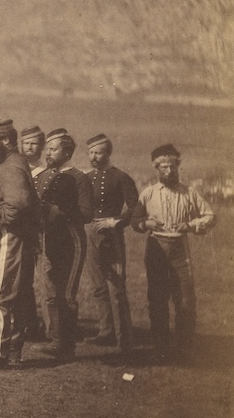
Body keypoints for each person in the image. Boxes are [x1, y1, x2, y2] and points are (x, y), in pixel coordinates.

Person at [131, 144, 215, 361]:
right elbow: (135, 221)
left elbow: (210, 216)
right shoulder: (148, 194)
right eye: (163, 167)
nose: (169, 171)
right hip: (156, 248)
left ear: (178, 166)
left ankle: (185, 347)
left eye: (172, 166)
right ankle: (160, 346)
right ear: (156, 169)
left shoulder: (189, 193)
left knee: (185, 298)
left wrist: (190, 225)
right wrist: (147, 223)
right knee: (157, 298)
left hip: (179, 248)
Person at [0, 119, 39, 370]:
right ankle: (13, 353)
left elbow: (19, 202)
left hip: (8, 238)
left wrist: (2, 221)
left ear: (7, 141)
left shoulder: (11, 167)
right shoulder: (14, 163)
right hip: (13, 238)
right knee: (17, 295)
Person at [36, 128, 88, 361]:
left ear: (67, 152)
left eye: (54, 149)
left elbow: (86, 213)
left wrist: (59, 212)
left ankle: (68, 346)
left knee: (66, 294)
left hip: (70, 241)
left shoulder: (79, 178)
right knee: (50, 292)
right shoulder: (45, 176)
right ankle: (56, 340)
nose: (49, 153)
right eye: (47, 148)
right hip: (49, 240)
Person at [84, 134, 139, 354]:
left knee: (117, 288)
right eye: (90, 153)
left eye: (98, 153)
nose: (93, 157)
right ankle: (106, 332)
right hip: (90, 235)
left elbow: (135, 207)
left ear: (108, 154)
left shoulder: (121, 177)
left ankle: (124, 340)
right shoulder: (86, 178)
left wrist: (114, 221)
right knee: (98, 287)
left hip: (112, 237)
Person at [17, 125, 48, 342]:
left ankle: (51, 328)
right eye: (25, 142)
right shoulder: (17, 169)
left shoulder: (46, 171)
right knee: (22, 280)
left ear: (42, 146)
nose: (29, 147)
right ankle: (28, 324)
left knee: (47, 281)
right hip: (24, 231)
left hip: (45, 231)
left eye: (34, 143)